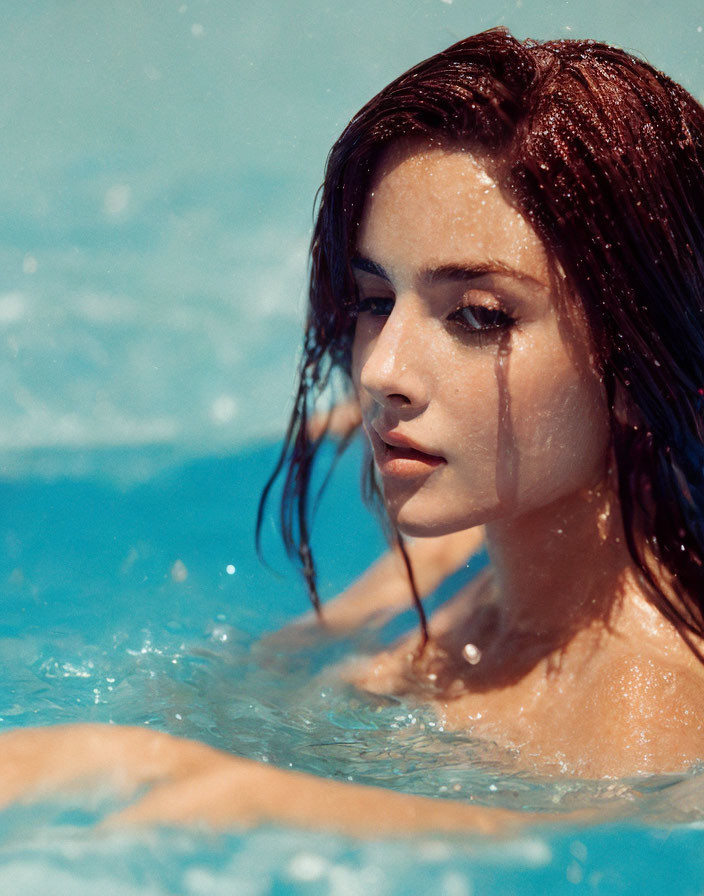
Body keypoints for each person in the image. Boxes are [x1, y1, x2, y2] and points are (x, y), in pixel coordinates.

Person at [2, 27, 704, 834]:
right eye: (376, 301)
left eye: (477, 316)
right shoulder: (494, 561)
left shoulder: (638, 709)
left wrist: (255, 795)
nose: (379, 371)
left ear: (637, 362)